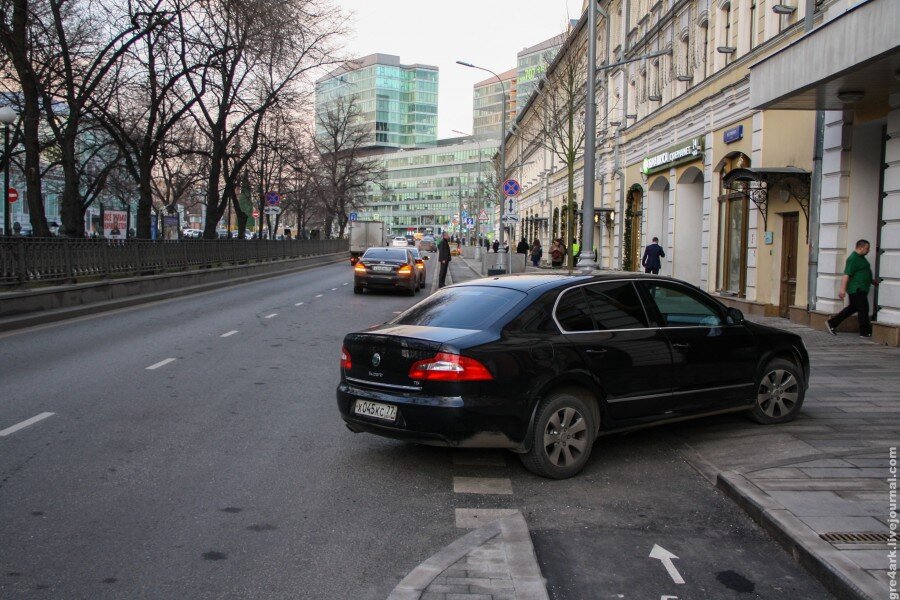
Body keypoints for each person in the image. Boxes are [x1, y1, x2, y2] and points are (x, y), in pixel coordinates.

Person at [826, 239, 875, 338]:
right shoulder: (853, 259)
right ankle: (865, 332)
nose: (868, 250)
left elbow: (862, 272)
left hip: (861, 288)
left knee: (852, 308)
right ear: (860, 247)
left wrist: (872, 281)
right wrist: (842, 289)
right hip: (857, 289)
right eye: (867, 248)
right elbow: (846, 274)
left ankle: (832, 323)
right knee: (863, 309)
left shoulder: (861, 258)